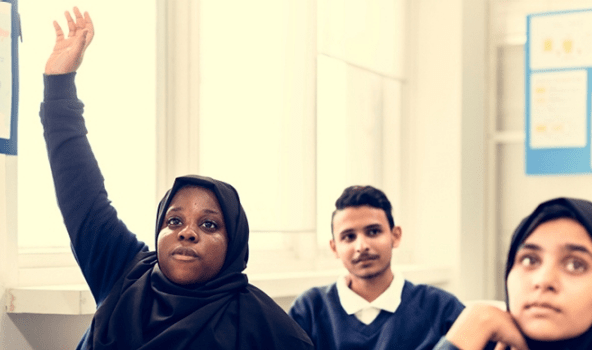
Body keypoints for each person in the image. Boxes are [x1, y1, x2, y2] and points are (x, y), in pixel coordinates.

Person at [40, 7, 314, 350]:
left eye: (210, 225)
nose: (186, 231)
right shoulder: (124, 272)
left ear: (234, 246)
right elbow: (80, 191)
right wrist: (58, 84)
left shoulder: (269, 330)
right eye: (174, 220)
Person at [289, 185, 465, 349]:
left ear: (395, 236)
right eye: (349, 237)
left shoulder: (440, 307)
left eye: (373, 232)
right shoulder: (309, 308)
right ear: (334, 247)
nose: (361, 246)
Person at [434, 197, 592, 350]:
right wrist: (475, 324)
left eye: (575, 265)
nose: (543, 280)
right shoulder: (478, 340)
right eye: (529, 260)